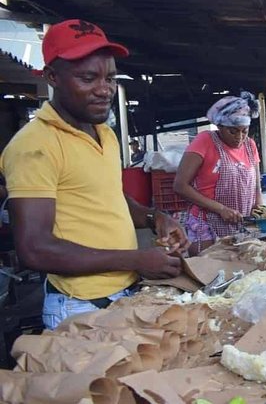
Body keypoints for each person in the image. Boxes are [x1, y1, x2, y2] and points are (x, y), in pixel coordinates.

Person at [0, 19, 188, 330]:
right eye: (88, 78)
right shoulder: (35, 145)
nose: (104, 90)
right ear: (51, 77)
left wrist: (156, 218)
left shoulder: (104, 133)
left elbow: (108, 195)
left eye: (110, 78)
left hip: (123, 295)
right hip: (80, 307)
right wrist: (137, 260)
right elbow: (34, 248)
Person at [173, 92, 263, 256]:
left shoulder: (250, 146)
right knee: (208, 271)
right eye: (233, 131)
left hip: (241, 223)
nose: (239, 137)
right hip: (206, 223)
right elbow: (180, 185)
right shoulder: (205, 141)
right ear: (220, 126)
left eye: (244, 131)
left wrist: (260, 211)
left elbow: (256, 185)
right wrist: (220, 209)